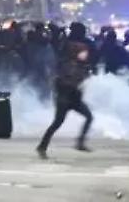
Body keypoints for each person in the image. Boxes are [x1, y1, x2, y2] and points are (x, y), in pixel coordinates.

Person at [36, 22, 94, 159]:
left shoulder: (66, 47)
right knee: (59, 122)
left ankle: (44, 146)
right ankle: (43, 146)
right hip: (66, 92)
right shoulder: (77, 48)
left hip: (70, 92)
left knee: (61, 121)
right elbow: (82, 61)